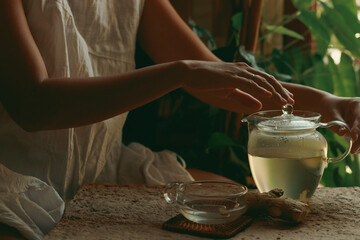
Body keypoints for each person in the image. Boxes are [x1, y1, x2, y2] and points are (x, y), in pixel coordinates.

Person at [0, 0, 359, 239]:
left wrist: (335, 104)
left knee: (249, 219)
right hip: (14, 182)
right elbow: (33, 105)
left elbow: (221, 83)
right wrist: (180, 73)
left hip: (101, 168)